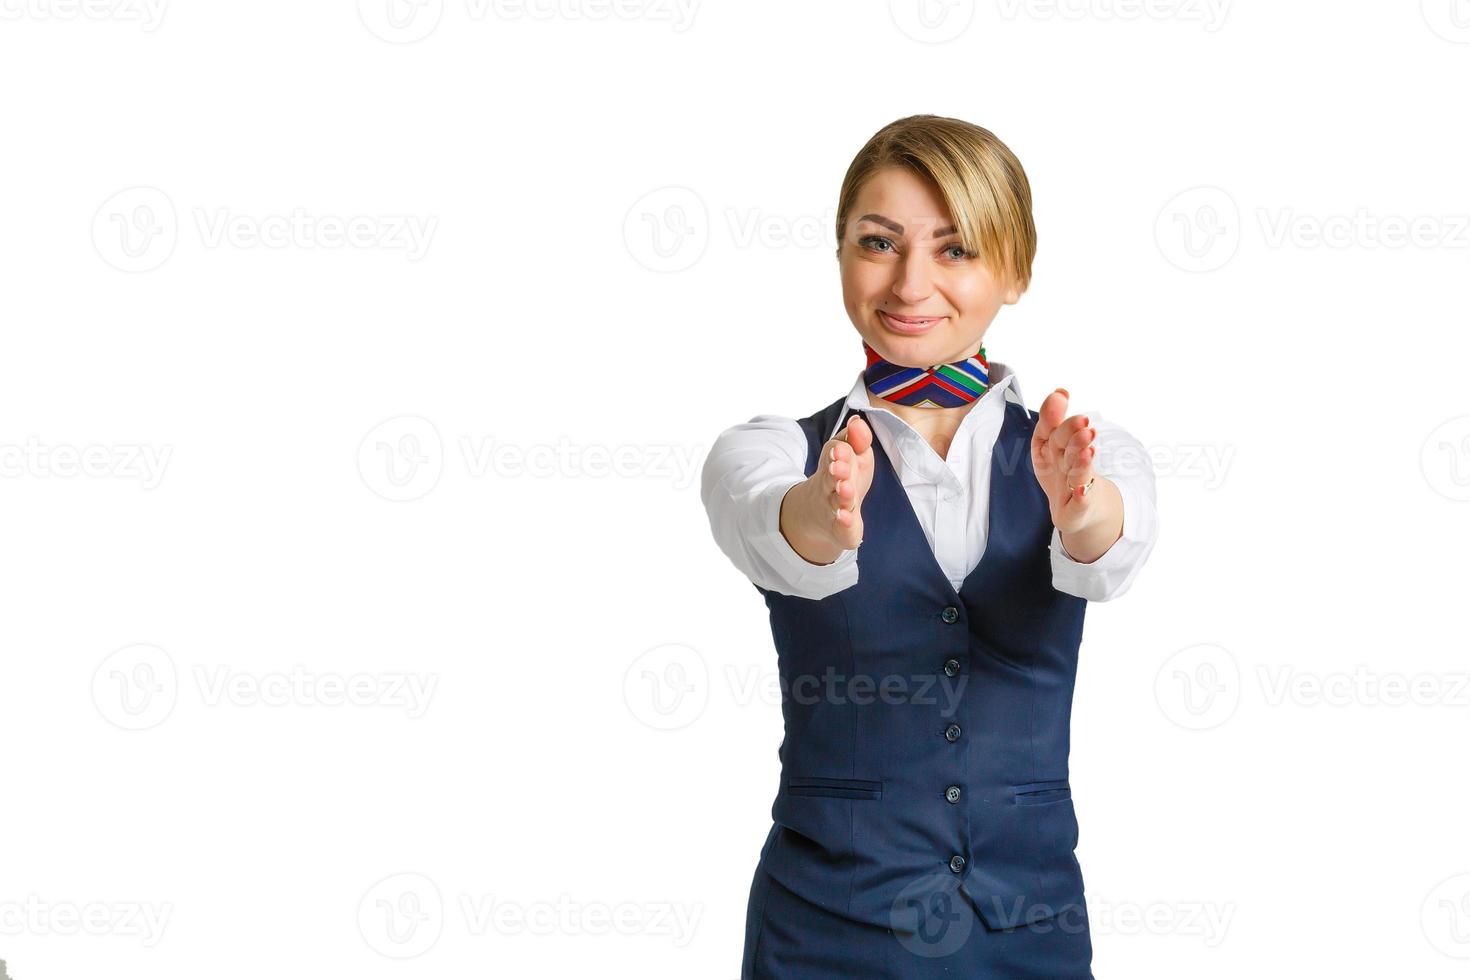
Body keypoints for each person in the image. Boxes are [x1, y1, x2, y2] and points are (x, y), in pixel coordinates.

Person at [699, 115, 1160, 978]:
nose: (911, 282)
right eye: (879, 242)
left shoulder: (1090, 453)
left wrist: (1077, 505)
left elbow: (1108, 548)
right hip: (825, 932)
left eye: (956, 249)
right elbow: (775, 526)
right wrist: (823, 511)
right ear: (840, 255)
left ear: (1015, 270)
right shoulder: (767, 449)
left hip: (1030, 931)